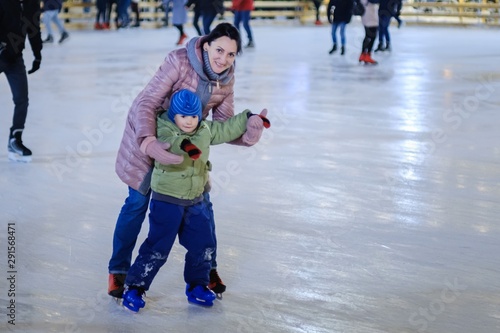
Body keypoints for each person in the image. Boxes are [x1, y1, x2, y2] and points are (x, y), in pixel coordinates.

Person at [108, 22, 267, 299]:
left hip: (187, 151)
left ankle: (208, 268)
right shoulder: (179, 61)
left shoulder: (226, 77)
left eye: (231, 54)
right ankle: (119, 270)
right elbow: (146, 102)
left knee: (203, 207)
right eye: (219, 50)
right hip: (150, 137)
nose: (223, 59)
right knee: (137, 203)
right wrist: (148, 142)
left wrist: (249, 134)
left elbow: (223, 126)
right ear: (206, 45)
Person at [122, 89, 270, 312]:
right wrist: (185, 145)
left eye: (194, 116)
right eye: (184, 116)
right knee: (158, 247)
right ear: (174, 115)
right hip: (167, 201)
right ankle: (135, 287)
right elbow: (170, 141)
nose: (190, 121)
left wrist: (249, 118)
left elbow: (226, 128)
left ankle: (197, 286)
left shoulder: (205, 128)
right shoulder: (163, 127)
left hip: (196, 199)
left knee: (203, 245)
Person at [0, 0, 42, 163]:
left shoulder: (32, 2)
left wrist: (37, 54)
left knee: (22, 100)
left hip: (16, 58)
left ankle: (15, 140)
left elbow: (33, 27)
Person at [359, 0, 379, 65]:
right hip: (371, 18)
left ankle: (363, 54)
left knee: (367, 36)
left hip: (365, 17)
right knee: (373, 37)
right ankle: (367, 55)